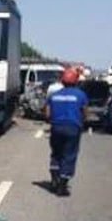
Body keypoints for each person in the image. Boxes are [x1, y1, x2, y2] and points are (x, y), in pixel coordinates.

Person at [45, 68, 88, 196]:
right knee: (69, 155)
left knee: (56, 153)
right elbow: (85, 112)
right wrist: (83, 122)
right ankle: (62, 186)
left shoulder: (54, 95)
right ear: (76, 81)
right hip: (73, 128)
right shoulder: (81, 95)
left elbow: (47, 114)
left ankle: (54, 180)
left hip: (56, 127)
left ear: (62, 81)